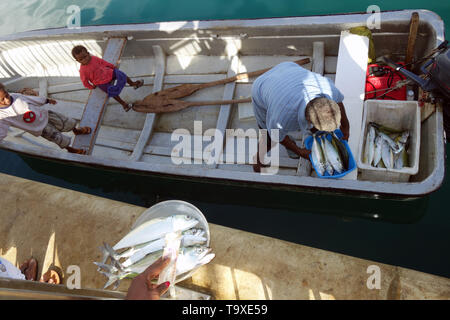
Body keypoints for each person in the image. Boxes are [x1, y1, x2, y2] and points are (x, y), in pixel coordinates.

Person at [251, 61, 350, 172]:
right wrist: (299, 151)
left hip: (288, 68)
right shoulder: (283, 117)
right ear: (308, 119)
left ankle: (294, 143)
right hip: (261, 87)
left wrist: (346, 127)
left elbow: (339, 101)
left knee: (317, 131)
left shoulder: (329, 90)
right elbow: (274, 134)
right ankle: (257, 161)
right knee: (269, 137)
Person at [0, 83, 91, 154]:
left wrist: (46, 100)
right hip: (39, 128)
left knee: (65, 121)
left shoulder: (16, 96)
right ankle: (70, 149)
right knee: (57, 138)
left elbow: (31, 99)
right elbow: (2, 130)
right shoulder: (2, 115)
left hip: (45, 115)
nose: (7, 100)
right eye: (2, 100)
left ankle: (76, 130)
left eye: (6, 95)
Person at [72, 45, 144, 112]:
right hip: (100, 82)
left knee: (121, 74)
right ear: (77, 61)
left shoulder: (94, 58)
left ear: (88, 53)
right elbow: (84, 81)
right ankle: (124, 104)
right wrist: (91, 86)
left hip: (107, 73)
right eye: (81, 59)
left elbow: (103, 62)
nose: (84, 60)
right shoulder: (82, 71)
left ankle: (133, 84)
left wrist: (111, 66)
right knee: (111, 91)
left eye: (85, 56)